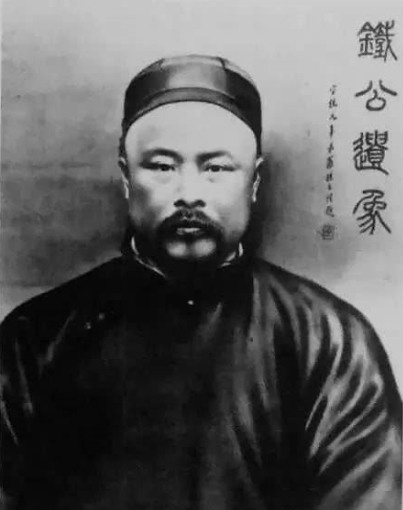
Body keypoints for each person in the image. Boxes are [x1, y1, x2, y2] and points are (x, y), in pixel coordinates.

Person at [0, 54, 401, 510]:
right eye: (162, 166)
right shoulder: (35, 338)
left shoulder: (327, 339)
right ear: (126, 177)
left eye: (216, 168)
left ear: (254, 181)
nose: (188, 194)